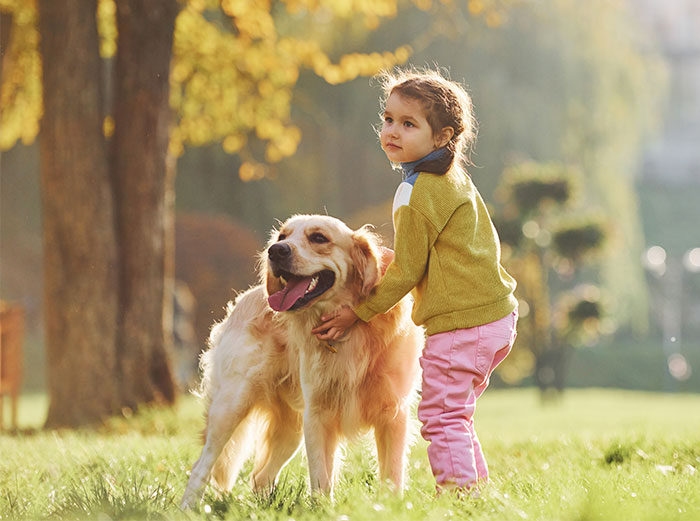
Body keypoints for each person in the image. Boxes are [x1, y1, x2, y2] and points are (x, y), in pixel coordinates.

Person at [311, 67, 519, 494]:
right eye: (388, 119)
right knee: (454, 414)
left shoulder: (416, 191)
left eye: (409, 124)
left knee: (442, 417)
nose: (393, 131)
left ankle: (460, 498)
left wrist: (359, 311)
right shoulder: (453, 178)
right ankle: (474, 493)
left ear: (442, 137)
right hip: (494, 317)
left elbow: (407, 271)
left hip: (462, 324)